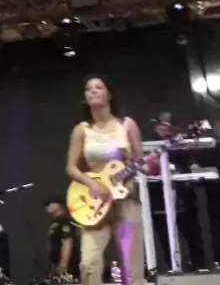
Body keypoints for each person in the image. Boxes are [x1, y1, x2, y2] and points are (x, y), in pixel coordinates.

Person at [66, 76, 145, 285]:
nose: (93, 91)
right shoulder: (82, 129)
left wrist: (148, 165)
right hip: (95, 201)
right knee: (89, 264)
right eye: (88, 88)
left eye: (99, 87)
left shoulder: (126, 125)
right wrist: (92, 183)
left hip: (125, 198)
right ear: (84, 98)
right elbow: (71, 167)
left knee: (132, 268)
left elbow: (141, 162)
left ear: (109, 94)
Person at [44, 196, 80, 279]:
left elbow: (67, 241)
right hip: (55, 265)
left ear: (58, 205)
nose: (46, 207)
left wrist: (63, 264)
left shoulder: (65, 221)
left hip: (68, 267)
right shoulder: (55, 222)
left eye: (49, 203)